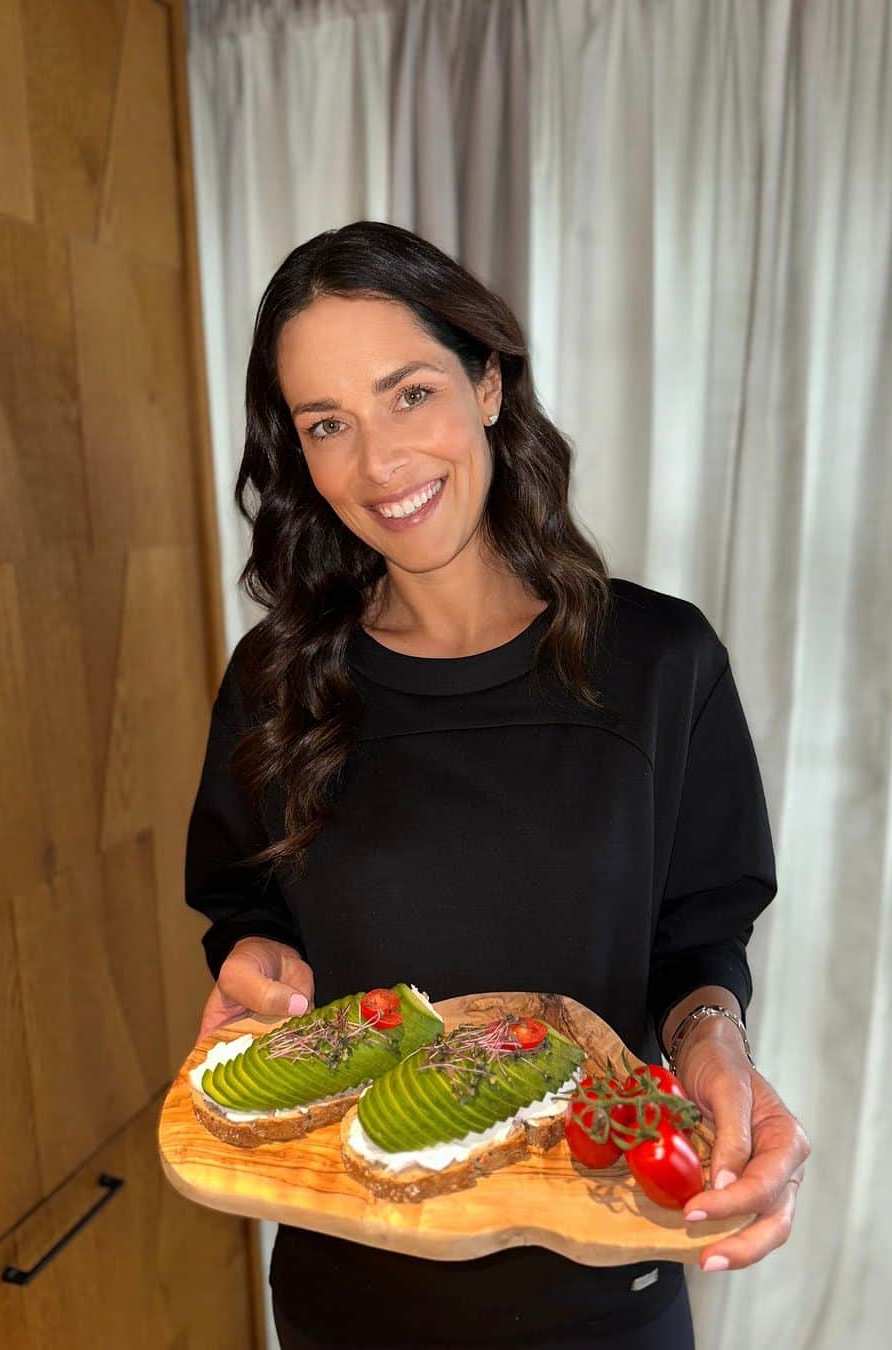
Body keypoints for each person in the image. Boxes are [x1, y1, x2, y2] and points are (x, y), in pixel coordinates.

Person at [184, 220, 810, 1350]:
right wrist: (252, 962)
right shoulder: (275, 678)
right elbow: (250, 910)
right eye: (329, 424)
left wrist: (714, 1033)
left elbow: (699, 936)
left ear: (487, 384)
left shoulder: (662, 665)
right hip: (351, 1282)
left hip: (600, 1274)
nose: (377, 464)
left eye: (409, 393)